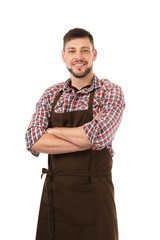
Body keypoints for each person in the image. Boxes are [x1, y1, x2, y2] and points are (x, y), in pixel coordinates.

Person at [25, 28, 125, 240]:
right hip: (55, 196)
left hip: (96, 197)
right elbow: (33, 139)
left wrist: (53, 131)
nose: (78, 57)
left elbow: (99, 136)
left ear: (94, 54)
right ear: (64, 56)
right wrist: (85, 137)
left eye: (84, 50)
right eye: (71, 51)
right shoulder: (52, 94)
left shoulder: (110, 91)